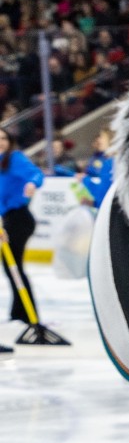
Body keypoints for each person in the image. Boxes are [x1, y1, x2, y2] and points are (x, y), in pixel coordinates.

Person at [0, 129, 53, 348]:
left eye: (3, 138)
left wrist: (32, 184)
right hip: (7, 219)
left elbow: (36, 174)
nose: (0, 142)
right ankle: (19, 311)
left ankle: (29, 314)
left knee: (14, 267)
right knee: (11, 266)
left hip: (19, 219)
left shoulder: (14, 158)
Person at [79, 127, 114, 208]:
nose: (99, 140)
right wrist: (93, 203)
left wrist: (85, 180)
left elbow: (102, 195)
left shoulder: (109, 163)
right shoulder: (117, 161)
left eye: (102, 137)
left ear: (110, 139)